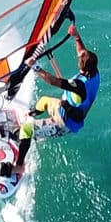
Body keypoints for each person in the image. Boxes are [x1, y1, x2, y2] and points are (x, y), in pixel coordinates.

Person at [14, 24, 100, 154]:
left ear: (82, 66)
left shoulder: (79, 85)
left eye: (79, 59)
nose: (78, 56)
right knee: (44, 101)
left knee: (25, 130)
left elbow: (54, 81)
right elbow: (82, 53)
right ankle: (30, 115)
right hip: (63, 108)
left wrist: (35, 67)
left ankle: (19, 166)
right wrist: (76, 37)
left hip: (64, 123)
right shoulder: (94, 72)